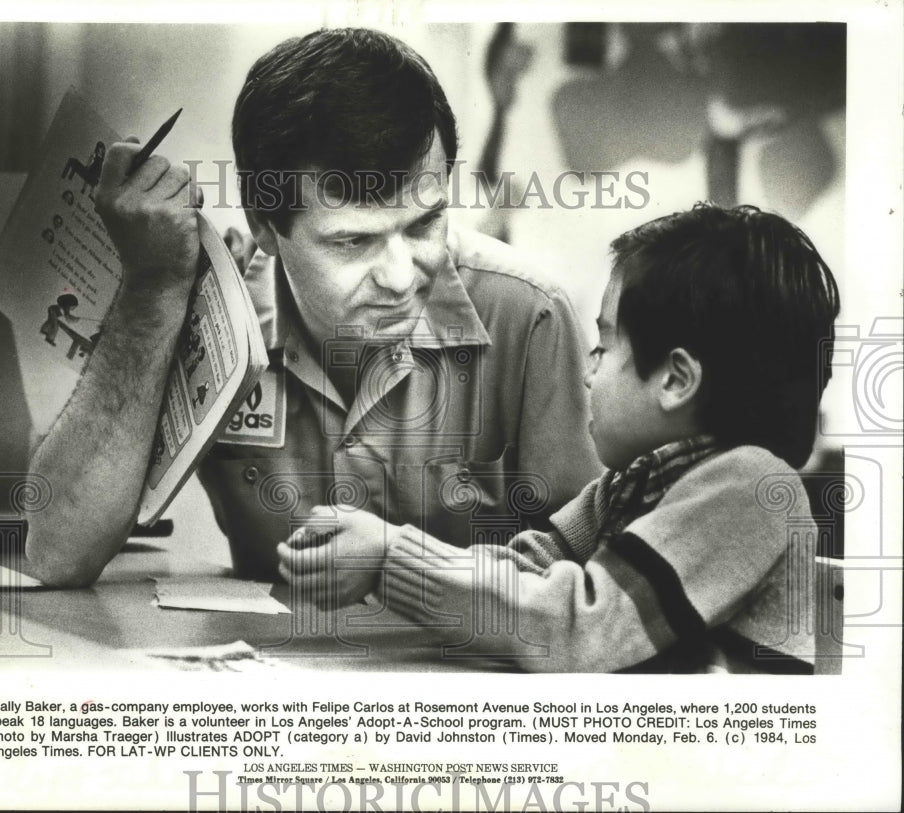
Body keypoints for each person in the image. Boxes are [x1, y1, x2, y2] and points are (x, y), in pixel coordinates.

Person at [25, 28, 601, 587]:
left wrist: (403, 563)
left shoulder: (530, 315)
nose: (402, 276)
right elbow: (58, 553)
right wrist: (151, 292)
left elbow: (592, 575)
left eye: (425, 223)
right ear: (265, 226)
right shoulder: (207, 313)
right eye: (353, 241)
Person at [281, 203, 840, 673]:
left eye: (604, 346)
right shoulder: (626, 489)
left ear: (674, 379)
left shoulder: (754, 489)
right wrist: (377, 556)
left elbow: (578, 628)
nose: (587, 371)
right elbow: (524, 572)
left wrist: (389, 559)